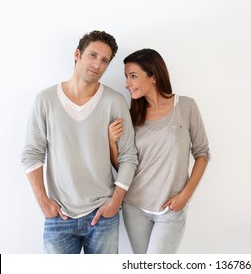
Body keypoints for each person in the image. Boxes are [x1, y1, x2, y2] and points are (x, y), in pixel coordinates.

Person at [21, 30, 138, 254]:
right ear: (77, 54)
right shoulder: (45, 99)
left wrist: (115, 202)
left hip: (102, 215)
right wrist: (43, 201)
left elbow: (129, 156)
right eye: (93, 55)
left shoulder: (115, 101)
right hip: (59, 216)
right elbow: (32, 153)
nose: (98, 64)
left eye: (104, 60)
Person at [109, 48, 210, 253]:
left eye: (133, 76)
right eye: (126, 77)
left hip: (170, 208)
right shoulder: (132, 116)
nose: (127, 83)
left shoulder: (186, 106)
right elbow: (124, 166)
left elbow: (202, 153)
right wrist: (112, 143)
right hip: (134, 205)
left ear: (153, 76)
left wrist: (185, 195)